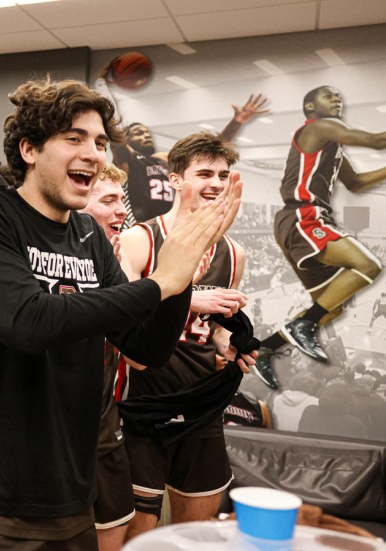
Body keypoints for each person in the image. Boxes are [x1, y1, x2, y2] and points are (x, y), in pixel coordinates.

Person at [0, 78, 241, 549]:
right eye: (74, 138)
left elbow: (145, 346)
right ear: (30, 148)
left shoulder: (87, 235)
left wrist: (177, 277)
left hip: (72, 490)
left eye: (99, 142)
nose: (94, 154)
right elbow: (28, 323)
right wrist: (160, 283)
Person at [118, 131, 251, 540]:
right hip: (142, 398)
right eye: (204, 172)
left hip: (199, 400)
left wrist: (230, 347)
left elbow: (212, 333)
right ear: (175, 180)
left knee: (198, 532)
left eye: (223, 174)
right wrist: (187, 298)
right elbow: (119, 321)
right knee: (138, 531)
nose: (216, 182)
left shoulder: (234, 254)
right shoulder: (140, 238)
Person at [256, 86, 386, 388]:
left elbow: (355, 183)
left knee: (333, 307)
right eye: (329, 96)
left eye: (339, 96)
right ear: (310, 106)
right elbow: (377, 141)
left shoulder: (331, 144)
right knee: (369, 266)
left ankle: (265, 348)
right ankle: (302, 325)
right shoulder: (320, 127)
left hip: (298, 220)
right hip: (304, 215)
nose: (338, 99)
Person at [95, 75, 267, 228]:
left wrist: (236, 122)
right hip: (138, 225)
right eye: (139, 133)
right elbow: (116, 133)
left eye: (147, 133)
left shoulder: (163, 159)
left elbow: (208, 152)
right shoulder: (129, 160)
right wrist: (102, 87)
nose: (146, 136)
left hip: (170, 225)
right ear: (127, 138)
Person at [78, 164, 134, 551]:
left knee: (114, 529)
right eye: (108, 200)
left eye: (122, 201)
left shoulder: (117, 263)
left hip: (105, 426)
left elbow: (141, 352)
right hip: (56, 437)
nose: (121, 211)